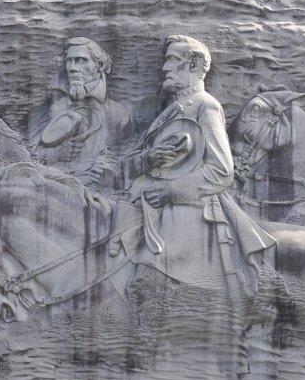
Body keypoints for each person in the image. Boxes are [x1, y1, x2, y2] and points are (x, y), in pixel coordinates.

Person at [113, 35, 276, 294]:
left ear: (195, 66)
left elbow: (222, 170)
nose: (164, 68)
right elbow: (137, 159)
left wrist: (170, 191)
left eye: (172, 60)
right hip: (146, 201)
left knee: (146, 280)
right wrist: (147, 159)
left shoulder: (205, 106)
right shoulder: (170, 111)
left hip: (188, 206)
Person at [28, 37, 135, 188]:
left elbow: (129, 166)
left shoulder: (119, 115)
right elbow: (28, 155)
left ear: (100, 65)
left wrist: (113, 180)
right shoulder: (51, 108)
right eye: (69, 61)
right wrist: (56, 154)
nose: (72, 68)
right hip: (51, 187)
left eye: (81, 60)